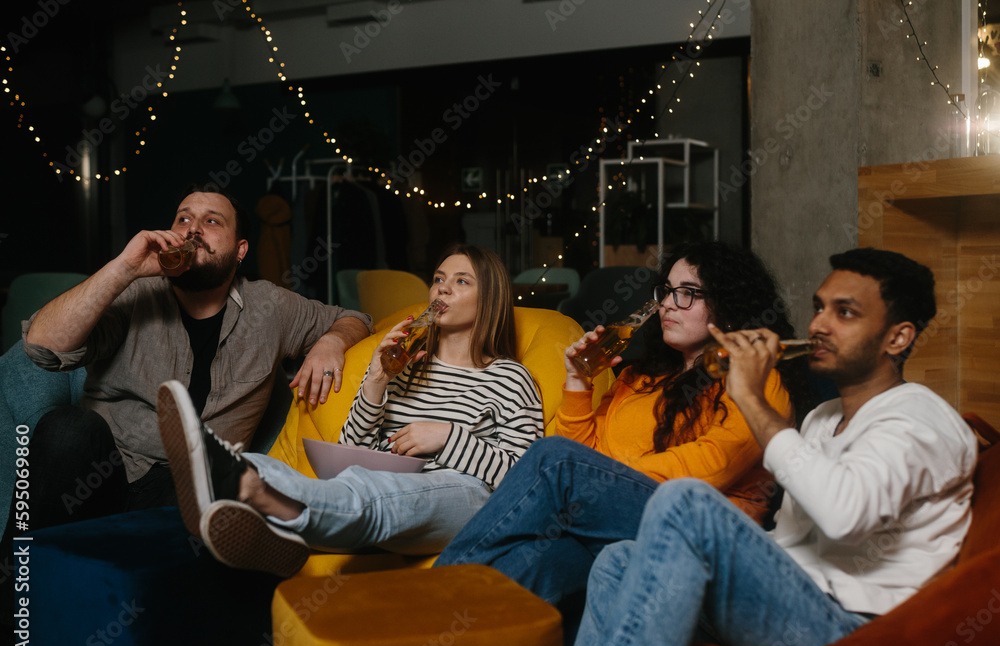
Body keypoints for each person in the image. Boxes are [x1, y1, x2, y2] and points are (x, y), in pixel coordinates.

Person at [568, 248, 977, 646]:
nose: (818, 325)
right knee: (619, 560)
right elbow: (788, 540)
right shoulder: (823, 416)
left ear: (898, 337)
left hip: (854, 627)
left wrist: (748, 395)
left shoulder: (919, 418)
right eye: (819, 308)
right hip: (786, 596)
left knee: (686, 501)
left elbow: (843, 515)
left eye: (846, 313)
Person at [436, 242, 814, 622]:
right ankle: (434, 636)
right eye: (666, 291)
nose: (667, 303)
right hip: (616, 519)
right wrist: (578, 382)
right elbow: (583, 450)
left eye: (687, 294)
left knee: (553, 458)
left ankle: (423, 596)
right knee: (534, 564)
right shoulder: (638, 378)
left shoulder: (756, 382)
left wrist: (602, 479)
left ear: (729, 306)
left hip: (705, 530)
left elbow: (708, 469)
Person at [157, 244, 544, 577]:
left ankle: (266, 501)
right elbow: (355, 448)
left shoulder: (510, 377)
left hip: (466, 497)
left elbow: (527, 481)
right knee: (300, 469)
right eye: (439, 278)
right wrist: (376, 379)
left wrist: (446, 437)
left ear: (489, 297)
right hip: (385, 489)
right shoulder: (407, 367)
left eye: (462, 281)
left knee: (377, 489)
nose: (443, 286)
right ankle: (233, 474)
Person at [22, 182, 373, 529]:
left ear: (240, 250)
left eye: (212, 222)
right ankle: (17, 575)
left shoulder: (271, 306)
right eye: (183, 219)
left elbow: (356, 319)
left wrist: (330, 343)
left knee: (210, 484)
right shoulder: (134, 293)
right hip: (104, 475)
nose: (193, 229)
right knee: (66, 427)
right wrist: (124, 269)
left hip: (188, 488)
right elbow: (43, 347)